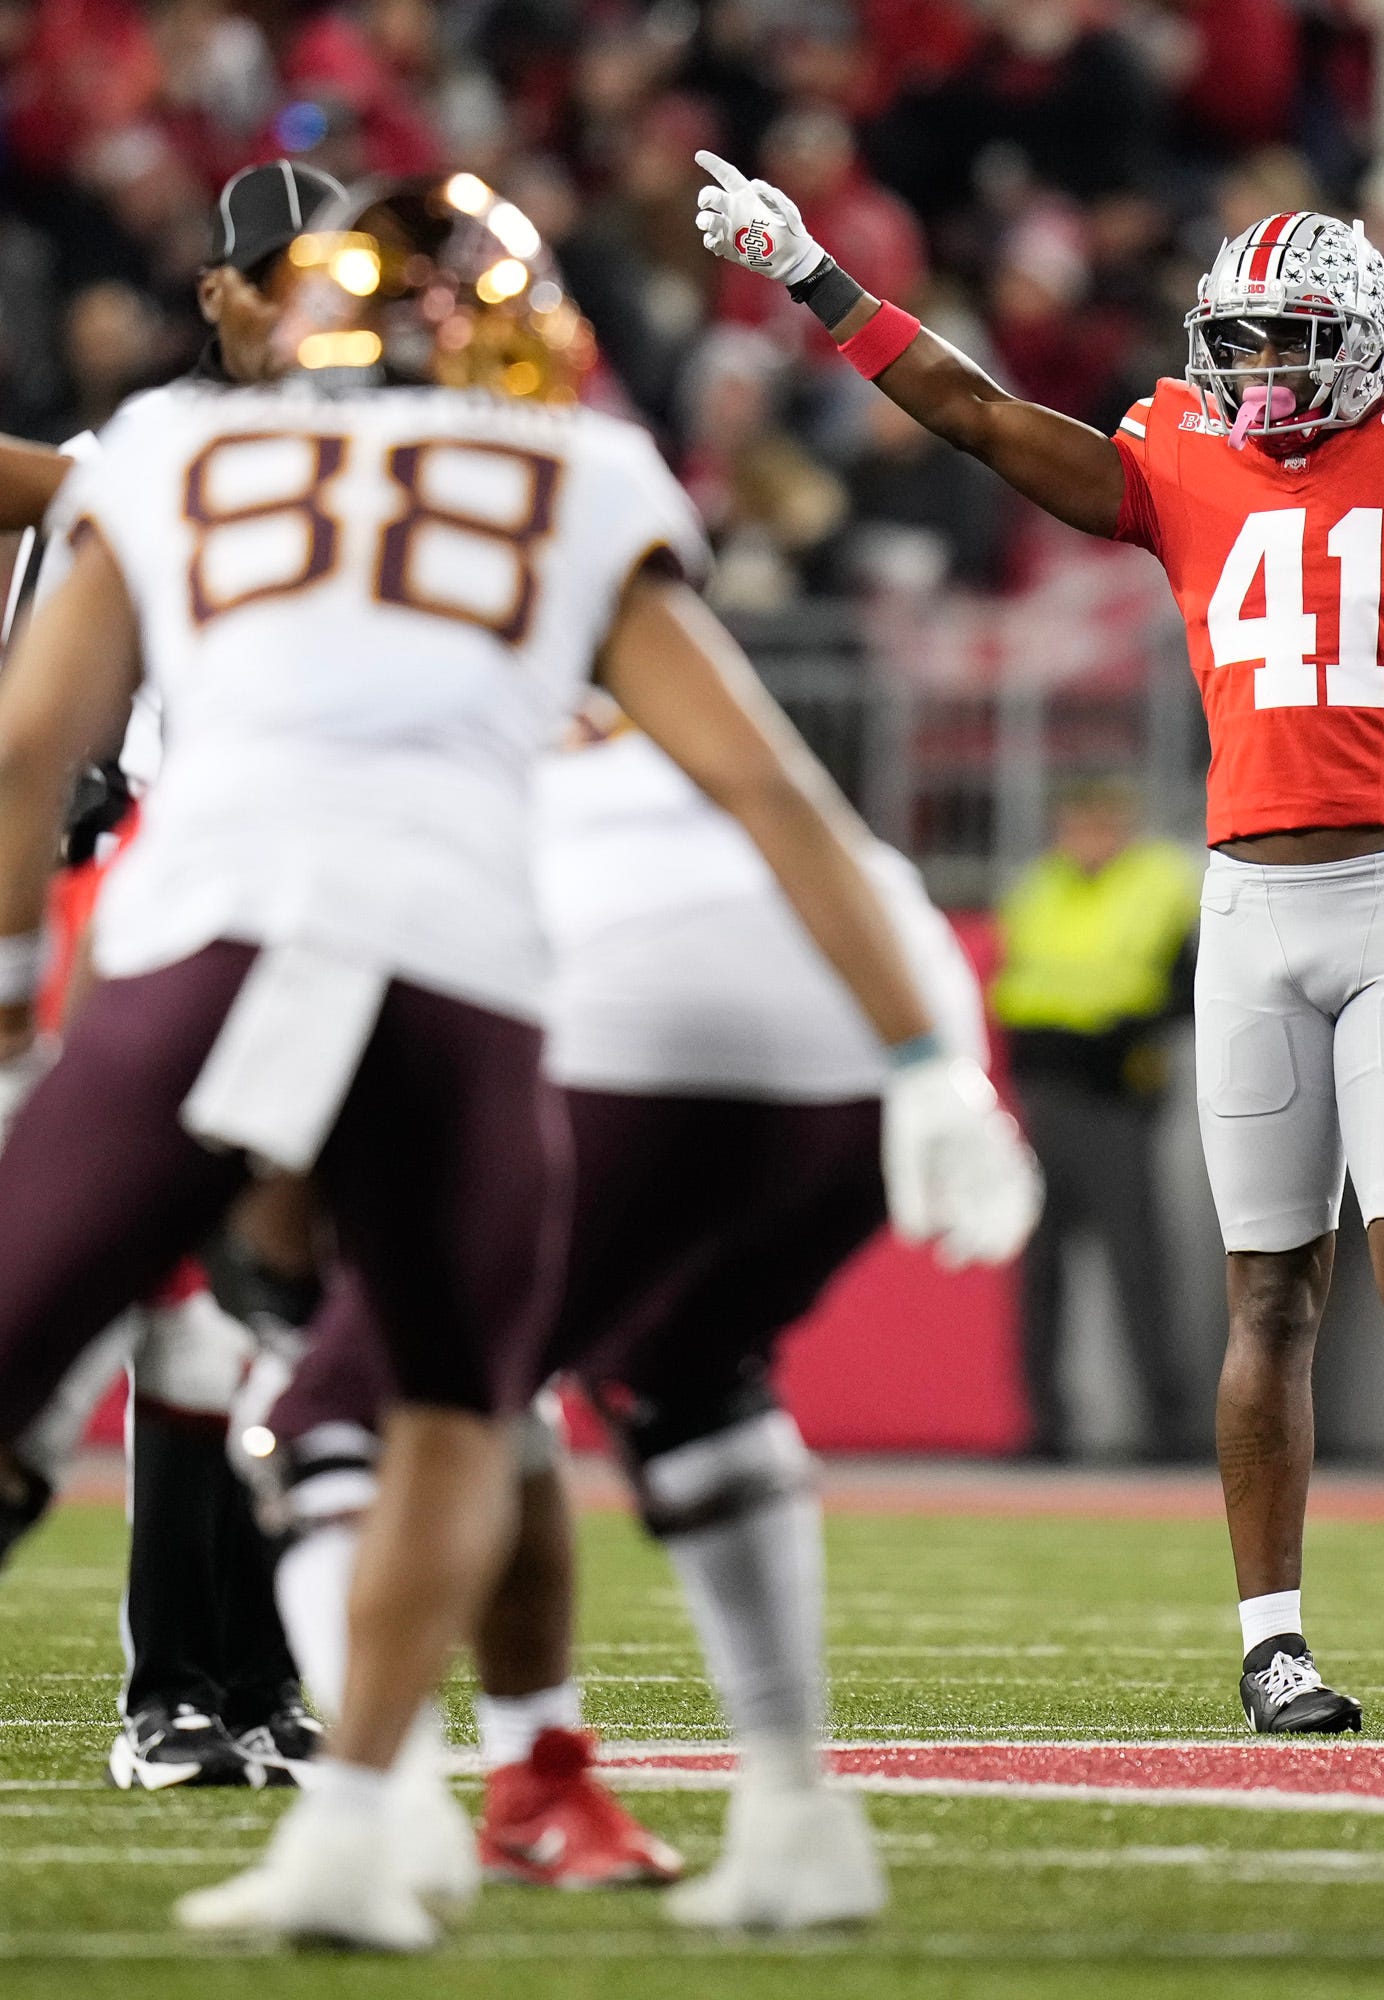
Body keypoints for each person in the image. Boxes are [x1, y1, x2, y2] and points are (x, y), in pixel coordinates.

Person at [694, 85, 1384, 1737]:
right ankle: (1275, 1642)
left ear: (1366, 339)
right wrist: (810, 272)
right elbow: (980, 415)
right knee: (1269, 1294)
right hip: (1248, 914)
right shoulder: (1175, 452)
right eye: (1243, 342)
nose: (1263, 375)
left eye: (1296, 342)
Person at [0, 174, 1034, 1950]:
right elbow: (772, 782)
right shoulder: (576, 477)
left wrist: (22, 1018)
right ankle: (374, 1816)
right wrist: (932, 1051)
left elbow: (28, 751)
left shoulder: (172, 448)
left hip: (228, 932)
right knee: (457, 1410)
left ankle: (367, 1802)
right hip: (469, 970)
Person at [245, 699, 1005, 1927]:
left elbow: (300, 1016)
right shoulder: (608, 673)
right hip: (892, 1000)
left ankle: (372, 1814)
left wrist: (292, 1287)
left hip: (638, 1000)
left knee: (324, 1416)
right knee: (690, 1377)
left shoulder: (348, 746)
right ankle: (797, 1822)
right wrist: (937, 1069)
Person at [0, 158, 352, 1794]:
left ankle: (267, 1681)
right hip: (171, 896)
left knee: (295, 1319)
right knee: (180, 1319)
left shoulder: (396, 450)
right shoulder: (143, 454)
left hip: (346, 910)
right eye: (277, 272)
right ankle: (173, 1697)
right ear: (218, 291)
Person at [994, 779, 1202, 1462]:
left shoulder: (1161, 883)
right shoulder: (1038, 889)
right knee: (1040, 1274)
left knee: (1138, 1265)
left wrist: (1119, 1035)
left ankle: (1165, 1427)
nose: (1087, 839)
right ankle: (1045, 1426)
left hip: (1117, 1097)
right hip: (1046, 1098)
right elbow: (1014, 982)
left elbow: (1183, 985)